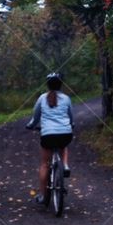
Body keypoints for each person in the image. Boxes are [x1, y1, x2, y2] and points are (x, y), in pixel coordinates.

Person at [26, 72, 73, 204]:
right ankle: (65, 165)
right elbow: (71, 117)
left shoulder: (42, 98)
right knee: (63, 145)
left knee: (44, 164)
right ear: (60, 84)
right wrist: (71, 125)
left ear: (48, 85)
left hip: (47, 134)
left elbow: (35, 117)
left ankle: (42, 195)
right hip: (65, 133)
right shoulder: (66, 98)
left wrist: (31, 125)